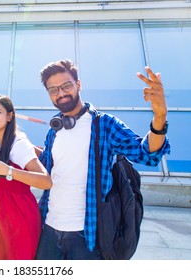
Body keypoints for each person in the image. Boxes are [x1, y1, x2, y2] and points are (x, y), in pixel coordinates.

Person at [35, 59, 171, 260]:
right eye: (53, 90)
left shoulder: (104, 125)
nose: (61, 93)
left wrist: (160, 115)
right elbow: (45, 165)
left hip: (87, 236)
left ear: (78, 84)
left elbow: (146, 153)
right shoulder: (54, 130)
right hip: (48, 229)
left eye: (66, 86)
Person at [0, 94, 52, 260]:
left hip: (21, 217)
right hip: (4, 220)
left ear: (10, 115)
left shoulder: (17, 145)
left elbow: (45, 181)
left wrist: (8, 171)